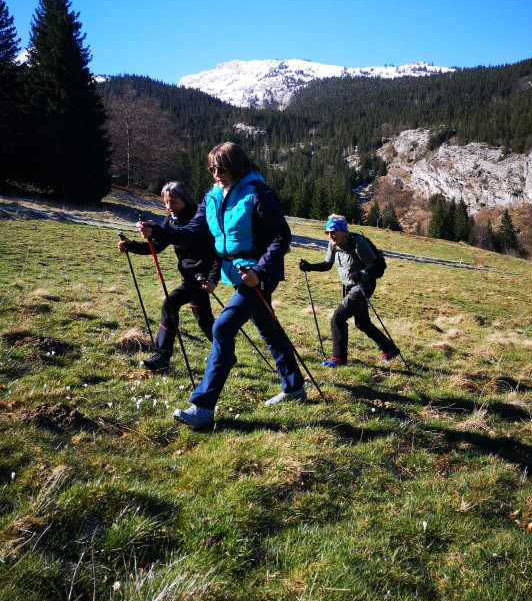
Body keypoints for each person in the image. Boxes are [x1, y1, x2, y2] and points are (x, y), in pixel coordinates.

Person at [137, 142, 305, 428]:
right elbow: (193, 232)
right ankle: (294, 388)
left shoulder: (258, 193)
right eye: (212, 168)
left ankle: (203, 407)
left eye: (221, 168)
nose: (215, 173)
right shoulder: (213, 196)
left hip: (258, 274)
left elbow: (281, 236)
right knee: (267, 327)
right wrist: (160, 230)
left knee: (222, 327)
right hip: (236, 273)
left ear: (236, 166)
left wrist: (260, 272)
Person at [119, 181, 220, 372]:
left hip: (202, 276)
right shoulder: (171, 221)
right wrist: (130, 245)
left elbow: (216, 253)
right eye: (166, 203)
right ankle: (226, 354)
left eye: (174, 202)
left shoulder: (199, 220)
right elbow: (155, 247)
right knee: (205, 321)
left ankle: (162, 356)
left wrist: (213, 278)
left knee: (170, 303)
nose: (169, 207)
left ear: (186, 201)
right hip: (188, 276)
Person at [299, 214, 399, 367]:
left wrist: (362, 273)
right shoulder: (333, 244)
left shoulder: (357, 242)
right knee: (362, 323)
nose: (330, 235)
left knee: (338, 317)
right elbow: (327, 264)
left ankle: (339, 358)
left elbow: (374, 265)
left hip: (365, 285)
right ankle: (390, 350)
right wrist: (310, 267)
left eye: (333, 232)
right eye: (327, 232)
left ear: (343, 231)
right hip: (351, 286)